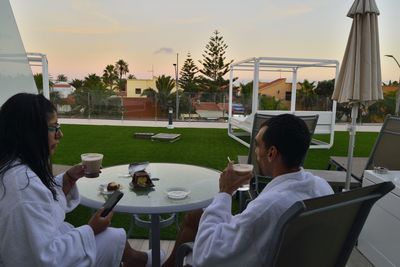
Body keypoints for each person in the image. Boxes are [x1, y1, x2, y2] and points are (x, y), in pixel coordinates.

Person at [0, 93, 159, 267]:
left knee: (110, 237)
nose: (60, 135)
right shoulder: (23, 186)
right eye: (53, 127)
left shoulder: (12, 169)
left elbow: (41, 215)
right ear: (30, 132)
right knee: (111, 237)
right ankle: (146, 261)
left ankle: (140, 260)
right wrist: (91, 229)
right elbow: (45, 258)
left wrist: (68, 179)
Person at [163, 114, 334, 267]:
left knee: (197, 226)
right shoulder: (321, 186)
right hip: (296, 254)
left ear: (271, 153)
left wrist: (225, 192)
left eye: (258, 145)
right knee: (194, 217)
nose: (256, 152)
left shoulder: (269, 207)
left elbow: (206, 255)